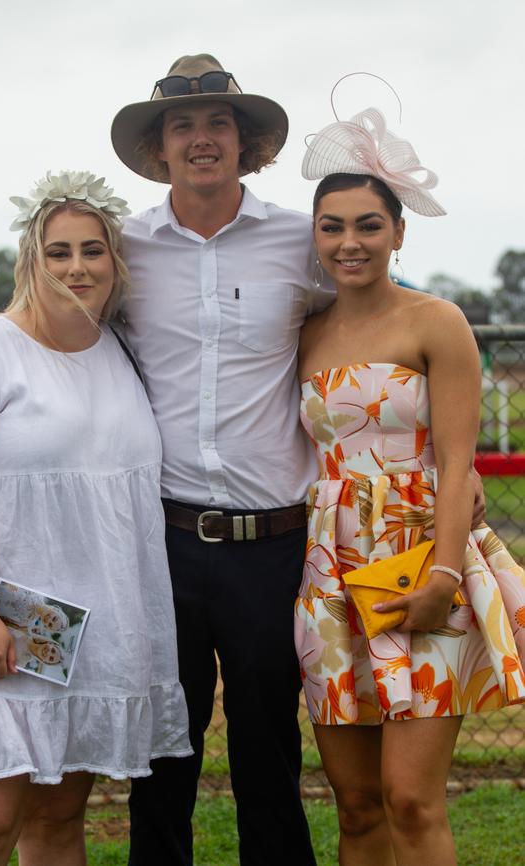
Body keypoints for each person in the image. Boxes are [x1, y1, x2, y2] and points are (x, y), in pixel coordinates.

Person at [0, 170, 191, 866]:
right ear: (31, 256)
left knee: (58, 822)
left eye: (94, 250)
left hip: (76, 628)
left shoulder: (118, 352)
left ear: (115, 260)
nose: (77, 267)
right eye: (59, 251)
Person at [111, 53, 334, 866]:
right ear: (158, 147)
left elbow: (367, 339)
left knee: (270, 751)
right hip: (158, 536)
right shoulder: (122, 247)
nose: (202, 139)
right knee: (162, 748)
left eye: (218, 124)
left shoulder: (301, 242)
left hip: (271, 543)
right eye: (183, 126)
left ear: (247, 145)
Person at [294, 107, 525, 865]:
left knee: (411, 799)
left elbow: (460, 462)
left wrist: (447, 575)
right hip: (332, 572)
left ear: (398, 231)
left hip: (426, 558)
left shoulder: (438, 321)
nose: (348, 243)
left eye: (367, 225)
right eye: (331, 227)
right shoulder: (305, 332)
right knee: (357, 806)